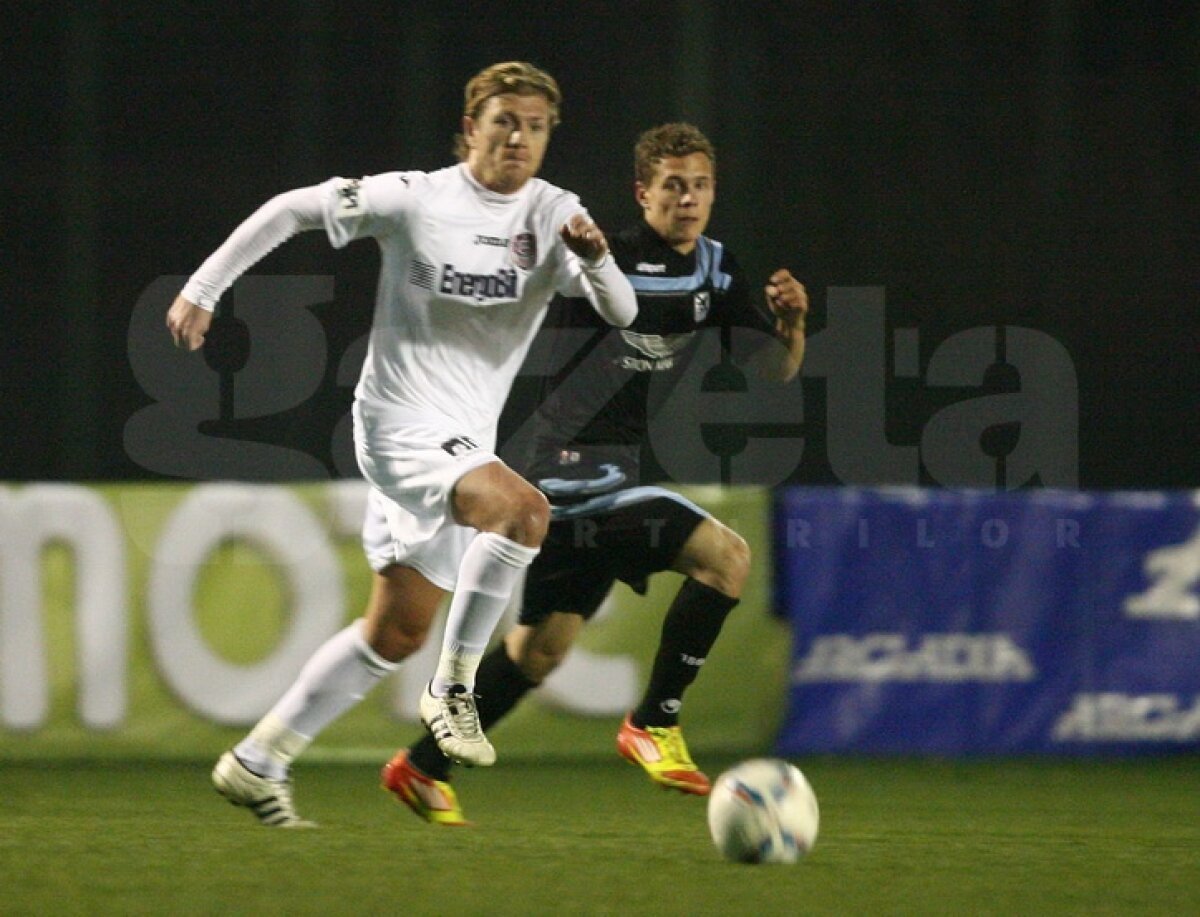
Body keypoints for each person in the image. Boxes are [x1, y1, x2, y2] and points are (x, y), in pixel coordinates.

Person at [166, 61, 637, 827]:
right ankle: (453, 689)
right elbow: (293, 209)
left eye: (536, 126)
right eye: (503, 120)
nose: (519, 137)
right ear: (469, 130)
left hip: (462, 442)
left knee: (397, 628)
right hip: (398, 424)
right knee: (522, 514)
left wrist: (595, 257)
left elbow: (619, 310)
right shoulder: (418, 198)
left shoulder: (556, 214)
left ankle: (257, 761)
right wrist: (205, 288)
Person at [382, 122, 807, 825]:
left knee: (538, 651)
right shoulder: (598, 260)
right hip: (565, 473)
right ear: (644, 193)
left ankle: (420, 766)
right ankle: (655, 722)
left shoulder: (716, 268)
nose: (689, 198)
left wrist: (791, 328)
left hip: (606, 475)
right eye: (672, 185)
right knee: (726, 557)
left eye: (700, 185)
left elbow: (770, 369)